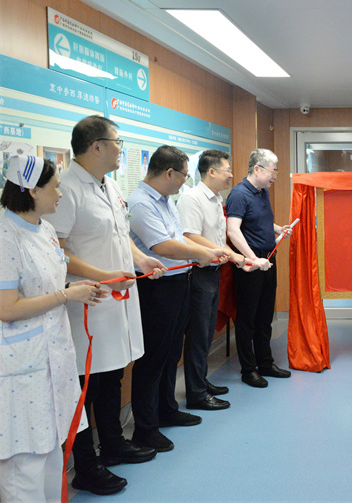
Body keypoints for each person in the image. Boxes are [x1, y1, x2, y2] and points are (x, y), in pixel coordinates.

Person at [44, 116, 167, 495]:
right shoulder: (67, 188)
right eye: (117, 142)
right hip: (88, 302)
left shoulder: (110, 184)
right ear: (96, 146)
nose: (120, 149)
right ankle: (85, 465)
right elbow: (56, 251)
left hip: (116, 300)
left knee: (112, 373)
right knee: (86, 385)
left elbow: (120, 233)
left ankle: (113, 444)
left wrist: (140, 259)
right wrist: (104, 275)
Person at [0, 155, 103, 501]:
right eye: (55, 187)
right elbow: (6, 309)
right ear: (32, 190)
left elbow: (47, 284)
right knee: (24, 471)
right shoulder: (5, 237)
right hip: (20, 368)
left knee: (51, 454)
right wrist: (65, 295)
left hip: (52, 362)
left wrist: (76, 289)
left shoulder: (43, 229)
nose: (60, 193)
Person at [128, 145, 226, 453]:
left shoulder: (167, 201)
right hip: (156, 288)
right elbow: (162, 246)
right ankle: (145, 428)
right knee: (153, 358)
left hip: (179, 282)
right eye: (184, 175)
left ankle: (166, 409)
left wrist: (204, 250)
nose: (186, 181)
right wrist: (203, 253)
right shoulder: (140, 202)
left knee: (171, 353)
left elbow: (179, 236)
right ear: (169, 173)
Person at [177, 149, 257, 411]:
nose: (231, 175)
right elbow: (190, 235)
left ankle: (201, 382)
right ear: (211, 171)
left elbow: (216, 237)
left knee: (206, 334)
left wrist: (231, 256)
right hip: (198, 273)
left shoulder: (214, 199)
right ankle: (196, 394)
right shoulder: (192, 198)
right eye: (227, 170)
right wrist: (231, 254)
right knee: (198, 335)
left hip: (214, 273)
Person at [226, 149, 293, 388]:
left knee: (265, 315)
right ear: (257, 169)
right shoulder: (239, 194)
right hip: (250, 264)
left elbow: (259, 220)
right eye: (273, 171)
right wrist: (252, 259)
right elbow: (233, 230)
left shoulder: (262, 192)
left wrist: (277, 229)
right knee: (248, 318)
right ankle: (248, 369)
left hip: (267, 260)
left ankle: (265, 363)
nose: (275, 176)